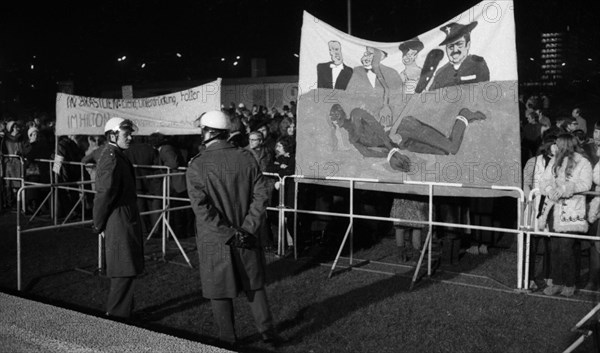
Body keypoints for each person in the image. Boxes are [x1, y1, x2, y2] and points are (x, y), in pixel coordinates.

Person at [186, 110, 281, 347]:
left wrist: (229, 233)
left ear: (207, 132)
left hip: (215, 239)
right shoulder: (246, 157)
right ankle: (268, 333)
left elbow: (203, 210)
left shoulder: (197, 165)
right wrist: (247, 228)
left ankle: (228, 341)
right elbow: (261, 195)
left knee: (219, 291)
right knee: (254, 285)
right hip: (247, 235)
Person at [93, 117, 145, 319]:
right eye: (127, 134)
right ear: (113, 135)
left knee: (126, 269)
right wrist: (98, 223)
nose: (131, 137)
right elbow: (104, 193)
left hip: (123, 217)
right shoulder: (111, 157)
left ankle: (124, 313)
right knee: (123, 271)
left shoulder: (116, 155)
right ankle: (117, 317)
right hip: (118, 219)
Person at [538, 133, 592, 297]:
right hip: (554, 211)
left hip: (571, 211)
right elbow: (544, 181)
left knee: (566, 248)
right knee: (554, 248)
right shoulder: (555, 161)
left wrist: (564, 189)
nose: (555, 146)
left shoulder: (583, 162)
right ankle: (557, 282)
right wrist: (550, 190)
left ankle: (570, 283)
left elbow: (585, 184)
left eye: (558, 143)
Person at [522, 134, 557, 289]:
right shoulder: (533, 161)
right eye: (556, 144)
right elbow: (526, 183)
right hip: (534, 207)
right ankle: (528, 278)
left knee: (550, 245)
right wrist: (529, 201)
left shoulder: (561, 162)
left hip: (552, 208)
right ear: (548, 145)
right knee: (531, 244)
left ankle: (549, 276)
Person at [429, 21, 490, 91]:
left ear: (468, 45)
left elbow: (484, 92)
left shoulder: (478, 64)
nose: (455, 50)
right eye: (450, 46)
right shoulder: (440, 73)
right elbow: (431, 97)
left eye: (459, 44)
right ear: (446, 49)